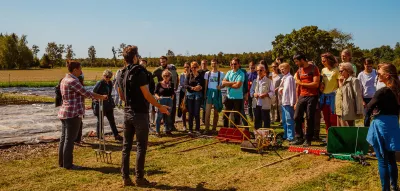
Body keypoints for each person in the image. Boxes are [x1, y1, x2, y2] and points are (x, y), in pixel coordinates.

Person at [118, 45, 170, 187]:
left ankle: (125, 178)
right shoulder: (139, 72)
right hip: (140, 113)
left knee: (126, 146)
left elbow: (121, 95)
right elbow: (147, 95)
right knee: (141, 146)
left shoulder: (120, 73)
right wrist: (160, 106)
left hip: (127, 112)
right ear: (135, 57)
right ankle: (139, 178)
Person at [58, 61, 107, 170]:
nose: (81, 71)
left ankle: (62, 162)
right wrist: (101, 97)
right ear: (75, 70)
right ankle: (68, 164)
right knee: (69, 140)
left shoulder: (64, 80)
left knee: (64, 138)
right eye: (80, 69)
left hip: (64, 112)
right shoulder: (73, 81)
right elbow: (86, 93)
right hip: (73, 113)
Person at [366, 63, 400, 191]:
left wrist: (369, 114)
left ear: (386, 75)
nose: (377, 75)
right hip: (393, 124)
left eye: (379, 73)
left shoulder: (383, 91)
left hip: (381, 125)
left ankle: (385, 189)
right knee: (391, 158)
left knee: (382, 160)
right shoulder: (396, 91)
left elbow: (369, 107)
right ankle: (394, 186)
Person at [291, 53, 320, 147]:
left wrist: (301, 83)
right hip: (301, 96)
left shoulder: (313, 68)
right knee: (296, 116)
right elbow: (297, 86)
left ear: (302, 60)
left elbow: (316, 84)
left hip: (312, 96)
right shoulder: (299, 70)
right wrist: (296, 101)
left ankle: (308, 139)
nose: (296, 63)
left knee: (309, 118)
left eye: (296, 61)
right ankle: (299, 137)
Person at [92, 69, 123, 141]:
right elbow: (93, 93)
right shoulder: (99, 83)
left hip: (108, 104)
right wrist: (100, 97)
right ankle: (99, 137)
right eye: (106, 76)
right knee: (100, 121)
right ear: (103, 76)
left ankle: (116, 135)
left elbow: (109, 94)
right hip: (100, 104)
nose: (108, 78)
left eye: (110, 77)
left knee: (112, 120)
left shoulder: (110, 83)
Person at [153, 56, 178, 130]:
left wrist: (175, 87)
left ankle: (171, 125)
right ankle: (165, 126)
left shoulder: (172, 68)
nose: (162, 63)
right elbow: (150, 77)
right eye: (161, 62)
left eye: (164, 61)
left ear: (166, 61)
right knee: (162, 111)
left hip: (171, 92)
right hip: (162, 94)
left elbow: (176, 78)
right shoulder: (157, 70)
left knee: (172, 110)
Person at [335, 62, 364, 126]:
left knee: (348, 130)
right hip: (340, 110)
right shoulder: (342, 80)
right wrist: (340, 83)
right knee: (341, 130)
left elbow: (357, 96)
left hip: (349, 111)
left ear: (348, 70)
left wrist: (359, 111)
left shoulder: (354, 80)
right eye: (339, 71)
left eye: (341, 71)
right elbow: (341, 93)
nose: (340, 73)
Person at [222, 57, 245, 127]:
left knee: (236, 117)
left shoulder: (241, 74)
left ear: (238, 64)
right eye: (232, 64)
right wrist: (232, 83)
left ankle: (235, 132)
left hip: (238, 98)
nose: (233, 65)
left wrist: (228, 84)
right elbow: (223, 82)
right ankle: (225, 130)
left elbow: (238, 86)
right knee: (225, 115)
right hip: (229, 97)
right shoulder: (229, 72)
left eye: (235, 64)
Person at [319, 53, 339, 134]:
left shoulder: (336, 70)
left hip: (333, 97)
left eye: (324, 60)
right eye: (322, 60)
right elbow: (322, 82)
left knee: (333, 119)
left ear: (329, 60)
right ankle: (328, 138)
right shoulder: (323, 70)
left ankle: (335, 137)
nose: (322, 61)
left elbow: (339, 85)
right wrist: (321, 85)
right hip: (324, 97)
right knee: (326, 118)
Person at [203, 59, 224, 134]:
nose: (213, 65)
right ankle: (206, 128)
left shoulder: (221, 73)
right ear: (211, 64)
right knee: (207, 112)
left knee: (216, 112)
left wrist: (221, 87)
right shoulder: (207, 73)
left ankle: (214, 128)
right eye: (212, 64)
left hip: (217, 93)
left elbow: (224, 83)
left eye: (215, 63)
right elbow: (206, 85)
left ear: (217, 64)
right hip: (209, 93)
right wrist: (205, 94)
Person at [184, 61, 204, 134]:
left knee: (197, 112)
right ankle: (190, 129)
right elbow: (185, 85)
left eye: (195, 67)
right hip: (190, 96)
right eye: (192, 67)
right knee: (190, 112)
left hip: (198, 96)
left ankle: (197, 129)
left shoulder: (200, 76)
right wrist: (192, 88)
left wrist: (200, 87)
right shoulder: (189, 75)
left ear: (198, 67)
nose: (193, 69)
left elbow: (202, 85)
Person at [252, 64, 274, 129]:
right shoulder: (254, 81)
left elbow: (272, 92)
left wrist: (266, 95)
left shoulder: (269, 81)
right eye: (257, 70)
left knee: (266, 121)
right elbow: (251, 91)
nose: (259, 72)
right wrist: (254, 94)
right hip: (256, 104)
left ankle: (266, 137)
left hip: (265, 105)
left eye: (261, 70)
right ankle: (258, 136)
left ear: (264, 71)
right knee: (257, 121)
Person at [278, 63, 296, 141]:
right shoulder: (283, 78)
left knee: (289, 119)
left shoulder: (290, 78)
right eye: (281, 69)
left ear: (288, 69)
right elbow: (281, 88)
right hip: (283, 102)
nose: (282, 70)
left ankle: (291, 136)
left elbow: (292, 90)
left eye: (283, 69)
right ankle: (286, 134)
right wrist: (280, 89)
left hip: (289, 102)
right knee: (284, 120)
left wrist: (292, 102)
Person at [357, 58, 377, 127]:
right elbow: (359, 89)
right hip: (366, 98)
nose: (369, 68)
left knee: (376, 116)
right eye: (367, 66)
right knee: (367, 117)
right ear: (364, 65)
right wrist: (362, 101)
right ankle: (366, 131)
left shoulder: (376, 73)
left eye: (370, 66)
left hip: (375, 97)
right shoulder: (361, 75)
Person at [154, 70, 174, 136]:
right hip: (161, 100)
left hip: (169, 100)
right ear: (162, 76)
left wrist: (172, 98)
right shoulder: (159, 84)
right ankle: (157, 131)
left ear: (170, 76)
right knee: (159, 116)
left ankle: (167, 130)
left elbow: (173, 93)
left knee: (168, 116)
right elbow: (155, 93)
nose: (166, 77)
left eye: (167, 75)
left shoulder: (171, 84)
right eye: (165, 75)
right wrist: (158, 98)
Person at [178, 62, 190, 130]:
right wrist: (188, 86)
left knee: (191, 109)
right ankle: (184, 125)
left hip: (190, 93)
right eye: (185, 67)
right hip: (183, 93)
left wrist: (188, 86)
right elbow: (181, 84)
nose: (186, 68)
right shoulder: (182, 75)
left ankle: (190, 124)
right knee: (183, 109)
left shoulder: (192, 75)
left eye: (188, 67)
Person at [198, 59, 209, 124]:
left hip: (207, 91)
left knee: (205, 106)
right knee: (198, 106)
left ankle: (204, 119)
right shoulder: (198, 72)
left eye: (205, 63)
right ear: (200, 64)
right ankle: (198, 120)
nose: (204, 65)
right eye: (202, 63)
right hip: (199, 91)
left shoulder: (209, 72)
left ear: (207, 64)